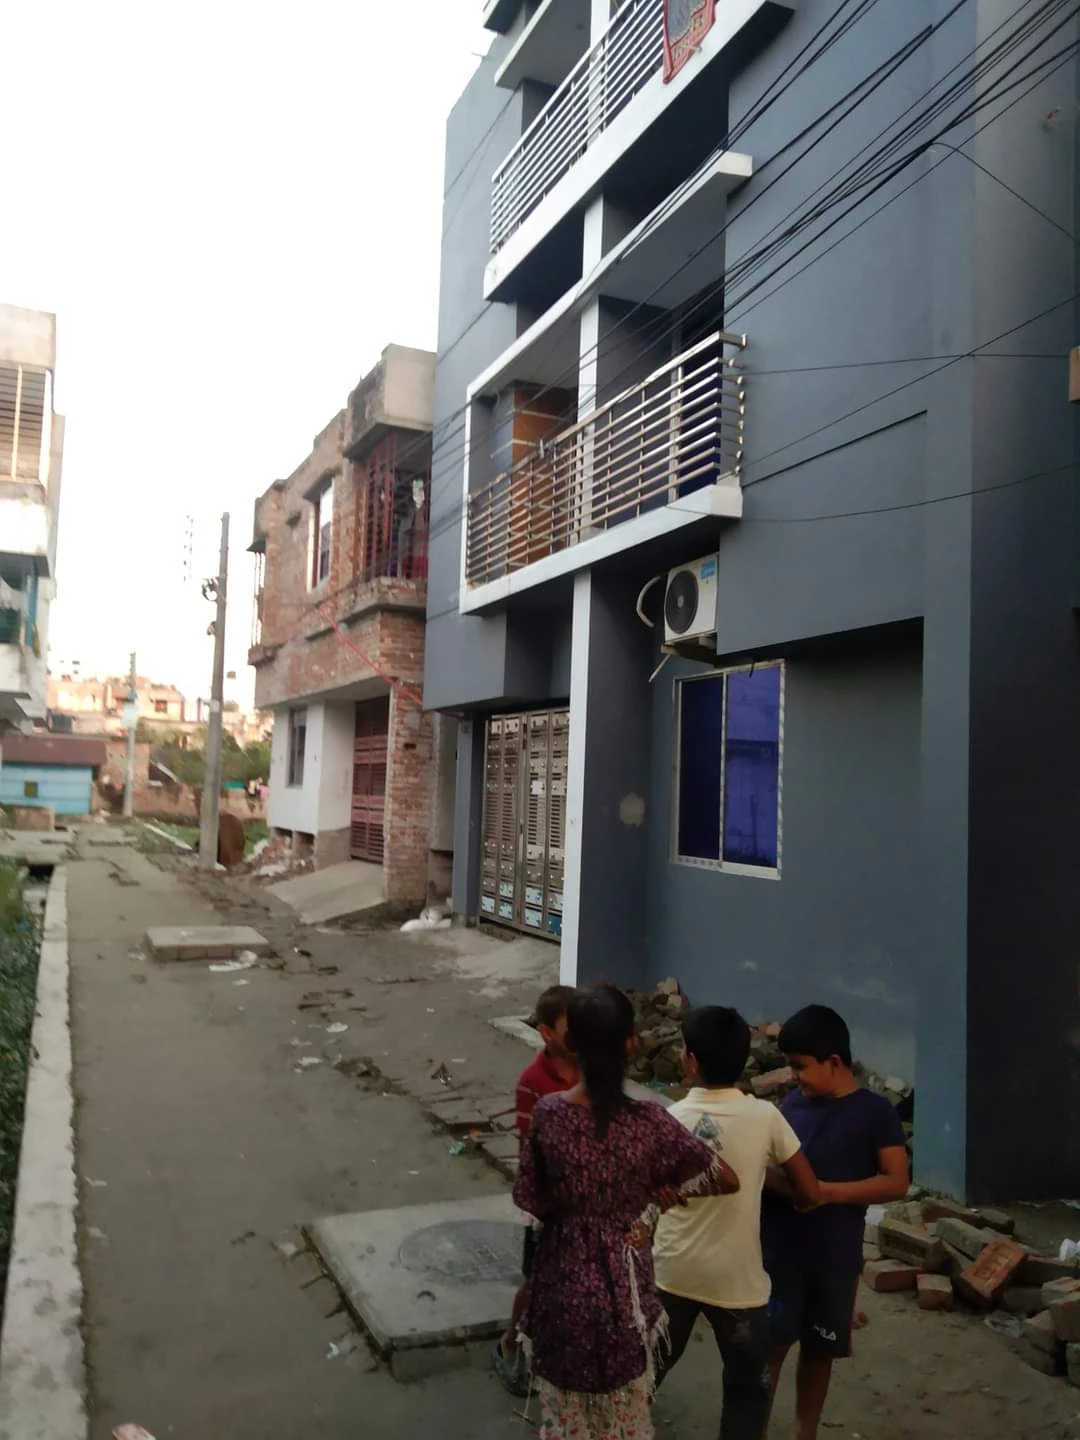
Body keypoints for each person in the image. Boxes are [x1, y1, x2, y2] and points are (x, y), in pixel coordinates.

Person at [513, 985, 740, 1440]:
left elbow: (532, 1198)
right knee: (623, 1419)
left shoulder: (549, 1115)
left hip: (561, 1288)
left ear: (570, 1043)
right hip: (626, 1290)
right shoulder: (651, 1123)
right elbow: (724, 1177)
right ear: (632, 1044)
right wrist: (658, 1193)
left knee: (566, 1420)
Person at [653, 1007, 820, 1440]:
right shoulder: (766, 1117)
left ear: (691, 1061)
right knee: (747, 1395)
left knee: (640, 1376)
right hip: (738, 1283)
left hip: (673, 1272)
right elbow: (810, 1192)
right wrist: (759, 1173)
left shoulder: (669, 1120)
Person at [762, 1005, 909, 1440]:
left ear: (833, 1062)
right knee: (770, 1348)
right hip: (779, 1254)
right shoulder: (792, 1105)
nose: (793, 1076)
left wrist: (825, 1192)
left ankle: (805, 1433)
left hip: (834, 1258)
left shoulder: (875, 1113)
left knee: (820, 1350)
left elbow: (896, 1181)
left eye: (800, 1066)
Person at [494, 984, 579, 1397]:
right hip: (547, 1201)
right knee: (536, 1281)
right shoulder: (533, 1081)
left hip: (585, 1198)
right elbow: (530, 1148)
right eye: (572, 1028)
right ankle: (510, 1342)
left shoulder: (592, 1069)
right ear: (546, 1033)